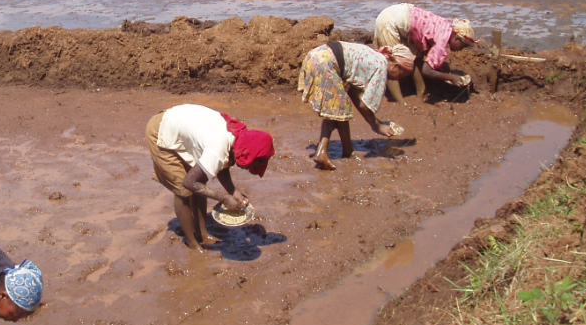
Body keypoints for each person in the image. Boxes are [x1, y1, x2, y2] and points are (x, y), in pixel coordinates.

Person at [145, 104, 274, 251]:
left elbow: (223, 165)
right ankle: (193, 242)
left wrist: (233, 191)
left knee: (200, 182)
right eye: (252, 164)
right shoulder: (218, 148)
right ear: (246, 154)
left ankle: (203, 234)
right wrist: (223, 198)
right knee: (183, 191)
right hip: (161, 130)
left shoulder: (237, 139)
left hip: (180, 123)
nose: (249, 169)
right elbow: (189, 183)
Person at [297, 41, 414, 170]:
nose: (398, 80)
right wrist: (377, 125)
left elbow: (353, 93)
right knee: (337, 111)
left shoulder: (376, 57)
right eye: (403, 75)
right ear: (396, 66)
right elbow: (364, 106)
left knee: (340, 110)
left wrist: (375, 122)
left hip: (316, 55)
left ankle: (348, 151)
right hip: (327, 63)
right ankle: (322, 152)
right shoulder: (382, 68)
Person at [372, 3, 476, 102]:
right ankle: (401, 102)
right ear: (456, 39)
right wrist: (451, 77)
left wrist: (439, 64)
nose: (461, 49)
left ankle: (421, 92)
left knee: (413, 57)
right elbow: (427, 71)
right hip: (390, 23)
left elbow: (422, 54)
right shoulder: (441, 43)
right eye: (463, 45)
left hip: (400, 14)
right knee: (392, 62)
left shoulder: (445, 27)